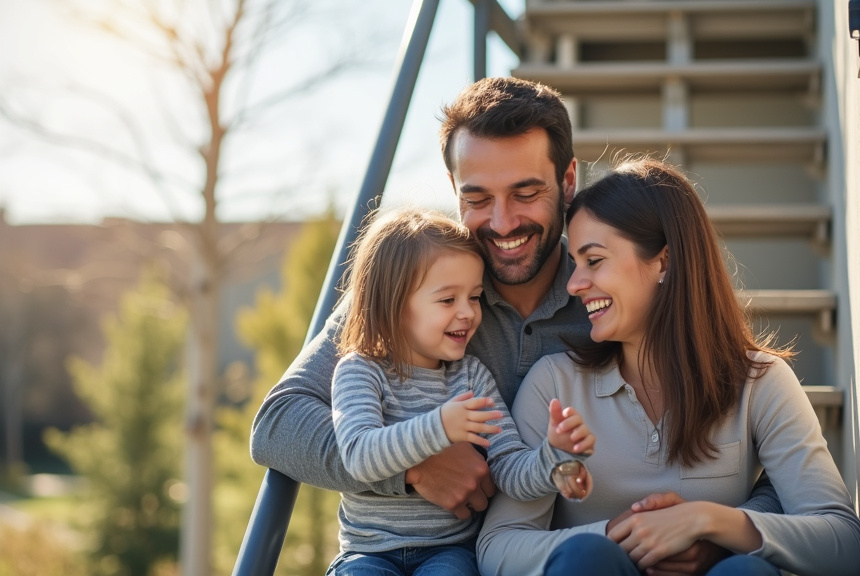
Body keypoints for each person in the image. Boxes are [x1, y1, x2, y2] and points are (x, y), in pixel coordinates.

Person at [250, 77, 784, 574]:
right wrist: (412, 471)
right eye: (477, 198)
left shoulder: (611, 289)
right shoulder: (415, 294)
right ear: (454, 188)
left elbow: (759, 455)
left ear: (568, 179)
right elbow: (277, 424)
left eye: (525, 193)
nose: (502, 222)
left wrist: (716, 531)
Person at [476, 158, 860, 576]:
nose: (573, 284)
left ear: (663, 262)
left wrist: (711, 524)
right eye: (575, 263)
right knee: (586, 558)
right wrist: (617, 535)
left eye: (594, 260)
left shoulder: (760, 381)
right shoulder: (554, 385)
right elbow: (498, 546)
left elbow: (842, 544)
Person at [328, 208, 594, 575]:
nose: (468, 313)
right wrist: (440, 427)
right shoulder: (360, 371)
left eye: (474, 297)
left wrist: (551, 457)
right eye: (448, 300)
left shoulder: (471, 377)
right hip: (368, 553)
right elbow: (359, 456)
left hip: (449, 551)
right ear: (394, 305)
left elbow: (507, 468)